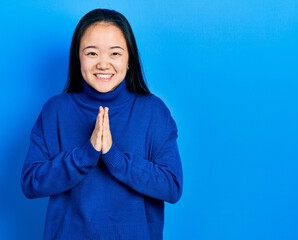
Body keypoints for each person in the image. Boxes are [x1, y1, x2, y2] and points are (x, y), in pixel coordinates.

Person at [21, 8, 183, 240]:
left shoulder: (153, 112)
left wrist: (113, 156)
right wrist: (87, 154)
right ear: (78, 58)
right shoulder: (55, 110)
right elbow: (30, 182)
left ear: (129, 60)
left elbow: (171, 186)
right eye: (92, 53)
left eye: (115, 53)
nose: (103, 64)